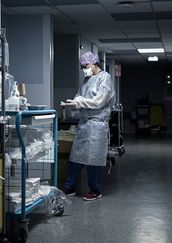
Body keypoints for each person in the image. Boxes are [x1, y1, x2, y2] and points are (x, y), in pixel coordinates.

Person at [62, 52, 115, 201]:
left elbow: (99, 101)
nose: (83, 69)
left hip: (97, 124)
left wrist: (79, 103)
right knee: (76, 156)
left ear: (94, 64)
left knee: (93, 158)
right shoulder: (86, 80)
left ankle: (95, 189)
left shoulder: (105, 78)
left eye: (85, 66)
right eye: (82, 67)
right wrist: (72, 103)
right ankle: (69, 186)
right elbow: (80, 96)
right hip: (84, 124)